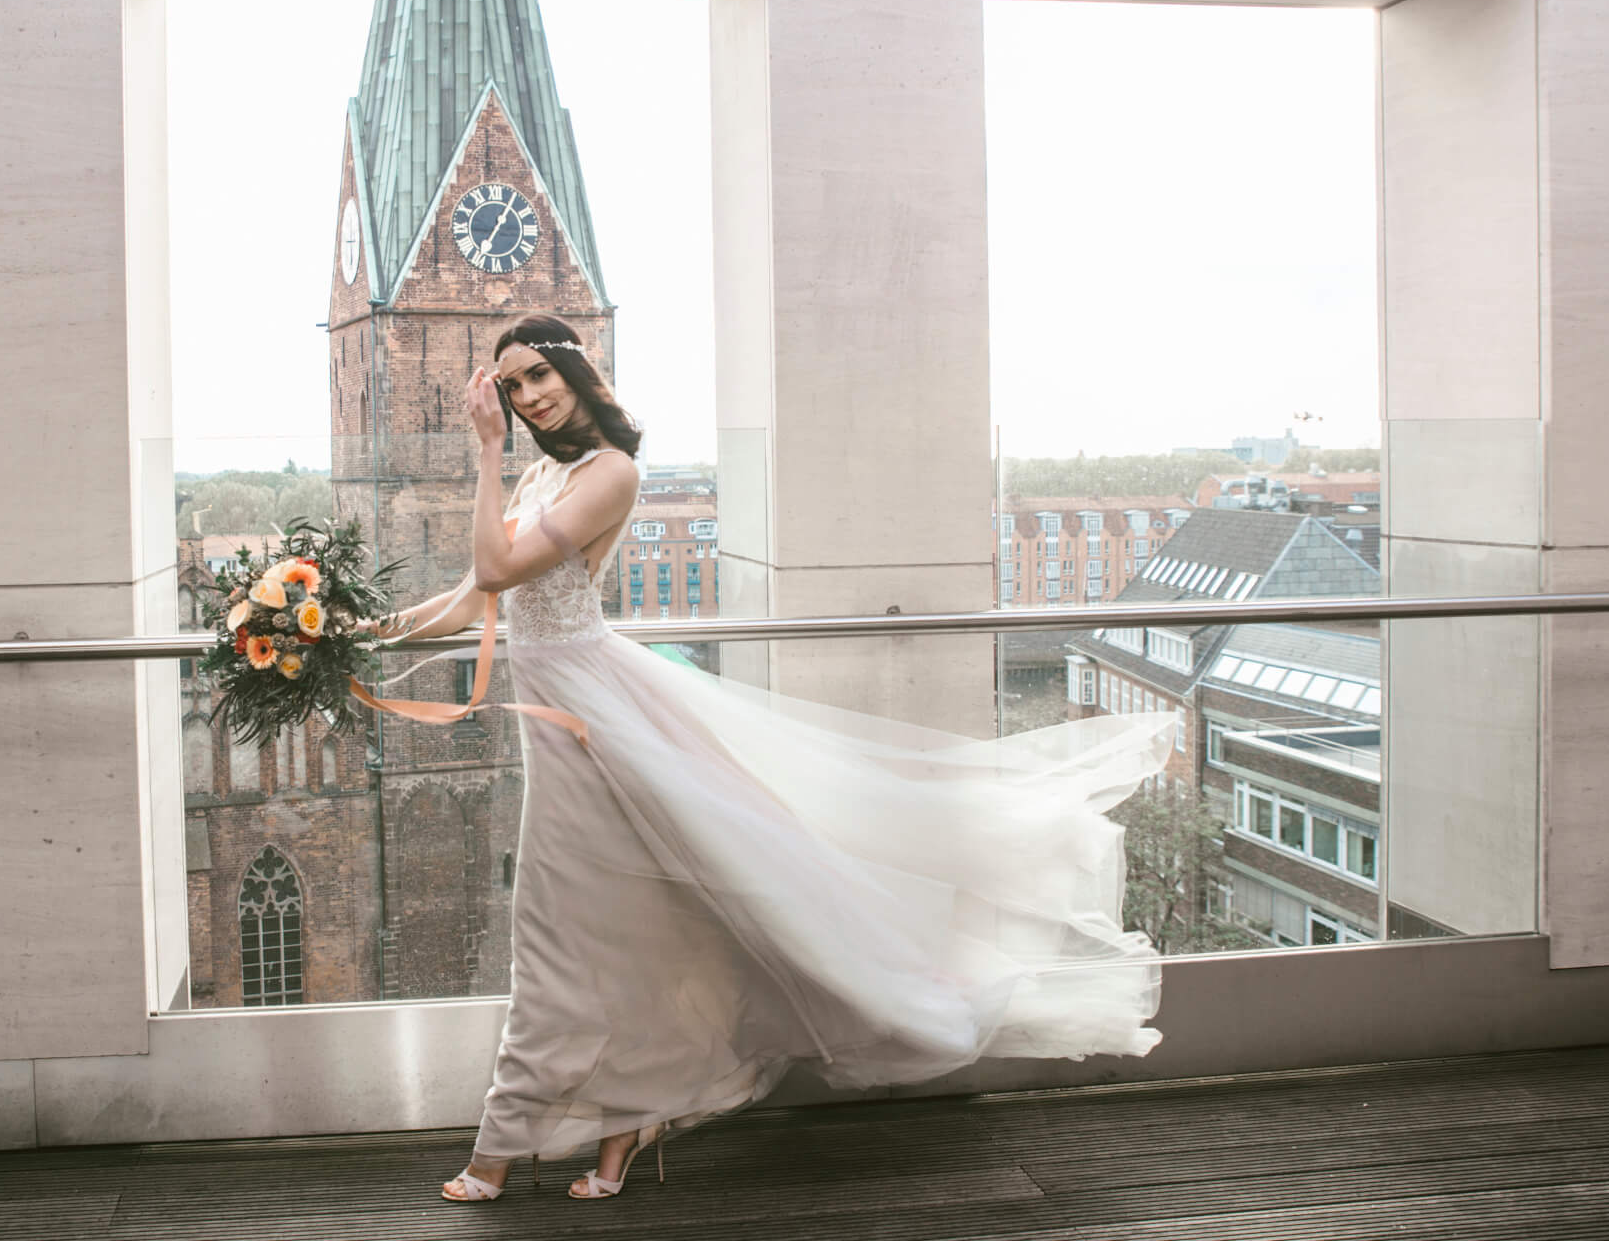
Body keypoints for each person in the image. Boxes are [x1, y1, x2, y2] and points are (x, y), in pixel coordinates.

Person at [374, 313, 1173, 1205]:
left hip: (596, 722)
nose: (527, 397)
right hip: (561, 718)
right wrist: (347, 635)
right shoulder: (544, 470)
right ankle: (627, 1121)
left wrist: (481, 454)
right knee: (626, 933)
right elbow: (464, 603)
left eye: (537, 375)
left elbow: (494, 567)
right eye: (511, 387)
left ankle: (502, 1147)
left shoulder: (612, 474)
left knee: (556, 935)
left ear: (575, 371)